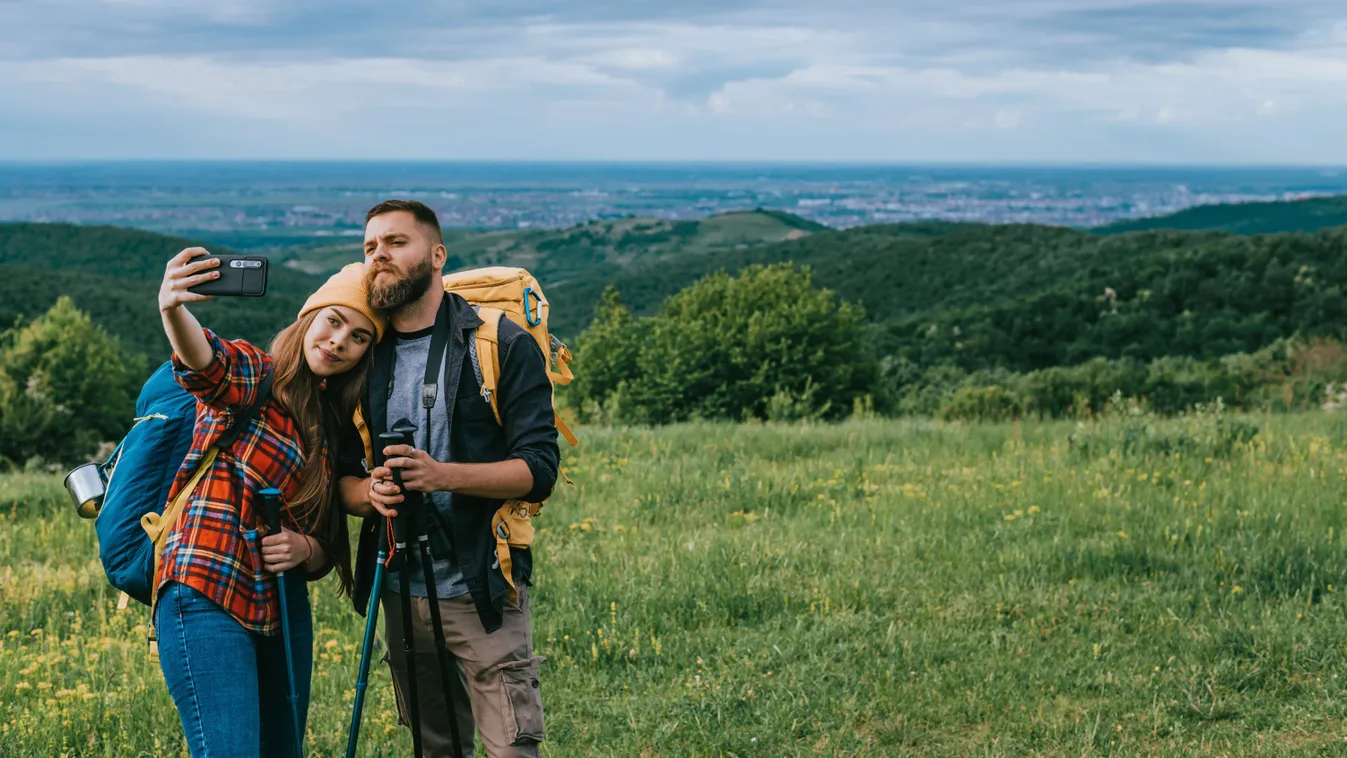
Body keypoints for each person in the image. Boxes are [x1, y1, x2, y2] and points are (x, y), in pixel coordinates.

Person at [338, 199, 560, 758]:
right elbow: (338, 473)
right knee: (436, 746)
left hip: (480, 581)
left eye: (395, 242)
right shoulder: (363, 352)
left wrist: (441, 475)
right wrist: (369, 493)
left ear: (437, 255)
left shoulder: (499, 342)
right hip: (397, 583)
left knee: (511, 748)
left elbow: (538, 470)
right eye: (369, 248)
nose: (379, 256)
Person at [155, 249, 387, 757]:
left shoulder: (329, 430)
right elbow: (205, 363)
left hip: (280, 606)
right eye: (333, 322)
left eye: (358, 337)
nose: (338, 342)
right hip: (205, 587)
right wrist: (173, 308)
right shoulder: (256, 376)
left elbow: (326, 544)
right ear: (309, 318)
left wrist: (305, 549)